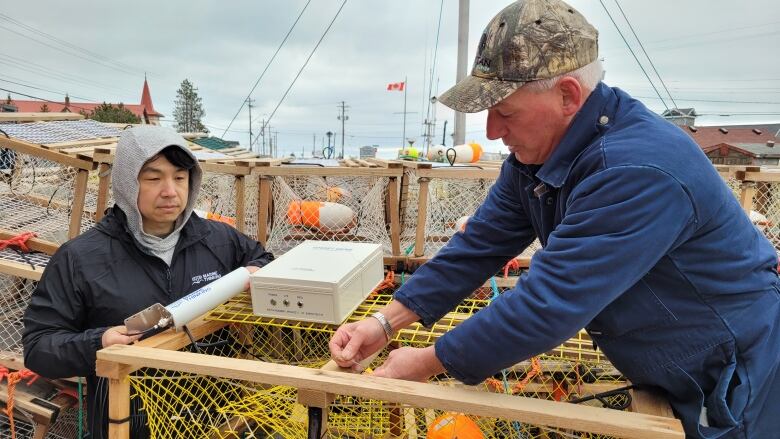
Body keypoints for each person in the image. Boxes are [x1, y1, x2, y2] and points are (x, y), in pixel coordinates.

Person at [329, 1, 780, 437]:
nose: (491, 131)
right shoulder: (538, 157)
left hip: (737, 374)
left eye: (505, 111)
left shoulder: (635, 170)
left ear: (567, 95)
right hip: (674, 363)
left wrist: (428, 360)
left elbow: (549, 303)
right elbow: (478, 245)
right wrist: (383, 324)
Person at [23, 126, 274, 438]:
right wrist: (98, 341)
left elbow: (264, 260)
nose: (170, 191)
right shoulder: (80, 258)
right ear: (128, 184)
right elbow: (38, 347)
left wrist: (254, 274)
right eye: (153, 178)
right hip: (128, 421)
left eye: (180, 177)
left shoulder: (219, 239)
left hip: (218, 416)